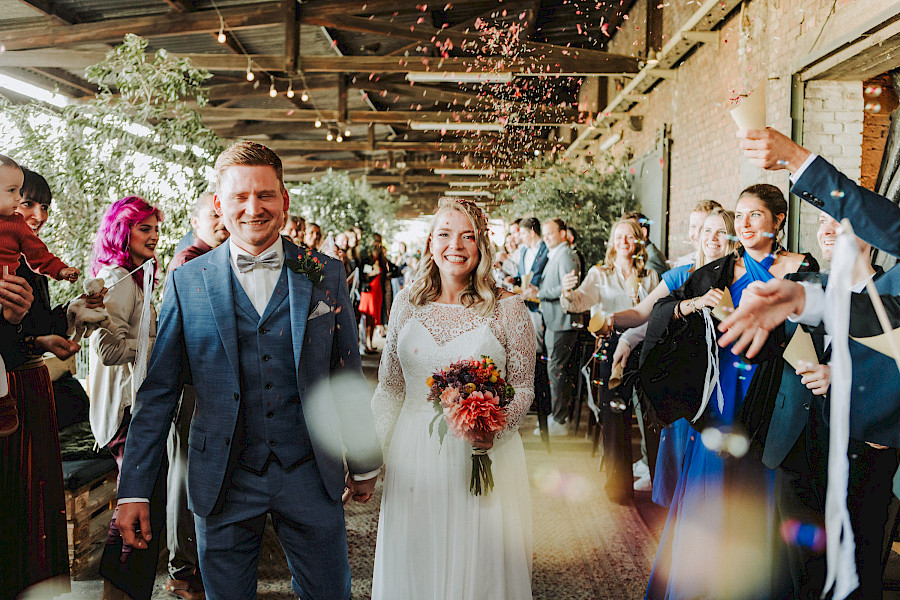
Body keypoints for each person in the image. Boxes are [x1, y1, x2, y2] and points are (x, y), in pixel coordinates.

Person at [114, 141, 382, 600]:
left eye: (265, 195)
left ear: (284, 201)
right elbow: (159, 390)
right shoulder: (187, 279)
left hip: (309, 470)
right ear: (220, 205)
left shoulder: (325, 272)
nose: (253, 208)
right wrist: (133, 487)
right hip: (223, 475)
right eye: (239, 197)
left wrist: (363, 461)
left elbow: (345, 373)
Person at [643, 184, 817, 599]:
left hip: (773, 395)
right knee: (711, 487)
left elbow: (816, 330)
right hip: (721, 393)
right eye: (739, 216)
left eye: (755, 215)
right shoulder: (719, 270)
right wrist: (690, 307)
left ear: (779, 220)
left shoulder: (801, 270)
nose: (744, 224)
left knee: (761, 492)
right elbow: (664, 313)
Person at [370, 197, 536, 599]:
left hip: (482, 456)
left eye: (468, 237)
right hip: (413, 455)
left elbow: (524, 385)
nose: (455, 246)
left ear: (482, 246)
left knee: (478, 566)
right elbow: (390, 387)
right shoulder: (407, 304)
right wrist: (368, 456)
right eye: (445, 234)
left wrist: (494, 427)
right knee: (417, 558)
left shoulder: (508, 308)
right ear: (430, 243)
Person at [610, 205, 735, 503]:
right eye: (706, 230)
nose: (710, 238)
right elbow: (644, 313)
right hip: (687, 377)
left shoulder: (746, 275)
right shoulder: (683, 273)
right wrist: (607, 322)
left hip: (729, 375)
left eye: (721, 232)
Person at [0, 169, 86, 599]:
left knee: (31, 512)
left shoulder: (28, 260)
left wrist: (51, 328)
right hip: (12, 394)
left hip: (29, 389)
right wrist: (22, 330)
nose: (35, 214)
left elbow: (25, 332)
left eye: (42, 206)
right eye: (25, 201)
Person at [87, 195, 164, 600]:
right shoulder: (117, 277)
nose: (154, 236)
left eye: (155, 228)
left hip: (136, 408)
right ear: (124, 231)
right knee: (136, 511)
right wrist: (158, 347)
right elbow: (110, 351)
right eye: (144, 228)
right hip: (124, 412)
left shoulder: (136, 275)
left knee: (139, 508)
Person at [561, 219, 660, 502]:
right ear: (612, 241)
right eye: (619, 236)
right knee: (615, 417)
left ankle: (658, 481)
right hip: (611, 344)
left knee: (652, 417)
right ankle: (619, 488)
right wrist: (568, 292)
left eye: (630, 236)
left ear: (639, 242)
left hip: (645, 345)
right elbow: (579, 302)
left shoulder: (650, 276)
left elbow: (655, 313)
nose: (624, 241)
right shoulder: (599, 274)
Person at [161, 191, 229, 600]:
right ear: (195, 220)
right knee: (185, 478)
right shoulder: (190, 260)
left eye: (225, 216)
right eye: (213, 217)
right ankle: (181, 570)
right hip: (192, 386)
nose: (222, 223)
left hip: (212, 387)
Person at [526, 218, 578, 436]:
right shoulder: (555, 253)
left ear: (563, 233)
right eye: (545, 234)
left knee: (556, 370)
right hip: (553, 319)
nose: (546, 237)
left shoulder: (566, 255)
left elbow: (569, 287)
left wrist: (540, 294)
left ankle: (559, 420)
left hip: (562, 321)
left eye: (551, 233)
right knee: (554, 369)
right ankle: (557, 416)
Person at [0, 155, 79, 284]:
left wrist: (78, 304)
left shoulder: (35, 264)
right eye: (27, 204)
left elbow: (39, 305)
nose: (40, 217)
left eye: (44, 207)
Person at [624, 210, 668, 276]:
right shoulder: (643, 255)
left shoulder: (651, 260)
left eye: (630, 232)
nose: (624, 240)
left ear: (643, 232)